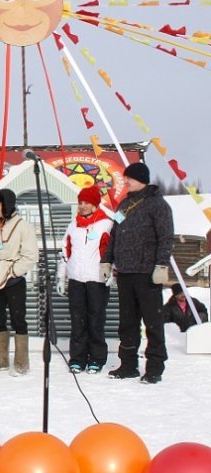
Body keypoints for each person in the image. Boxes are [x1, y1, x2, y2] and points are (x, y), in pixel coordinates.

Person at [101, 161, 174, 384]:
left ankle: (154, 367)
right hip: (125, 273)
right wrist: (107, 261)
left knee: (152, 322)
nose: (126, 181)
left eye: (129, 178)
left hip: (147, 273)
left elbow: (166, 237)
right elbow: (115, 236)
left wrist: (161, 265)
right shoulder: (124, 205)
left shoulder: (157, 205)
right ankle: (128, 364)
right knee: (127, 322)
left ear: (140, 178)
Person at [56, 184, 113, 375]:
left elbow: (112, 251)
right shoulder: (73, 225)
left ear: (95, 204)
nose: (83, 206)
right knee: (78, 320)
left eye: (87, 202)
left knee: (95, 320)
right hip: (76, 279)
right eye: (80, 202)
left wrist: (111, 274)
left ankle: (96, 358)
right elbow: (65, 250)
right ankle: (78, 358)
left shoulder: (106, 224)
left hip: (96, 279)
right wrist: (61, 277)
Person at [0, 189, 38, 376]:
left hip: (14, 280)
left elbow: (30, 256)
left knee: (18, 320)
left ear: (8, 204)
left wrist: (14, 272)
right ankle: (0, 360)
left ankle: (22, 363)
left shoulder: (23, 227)